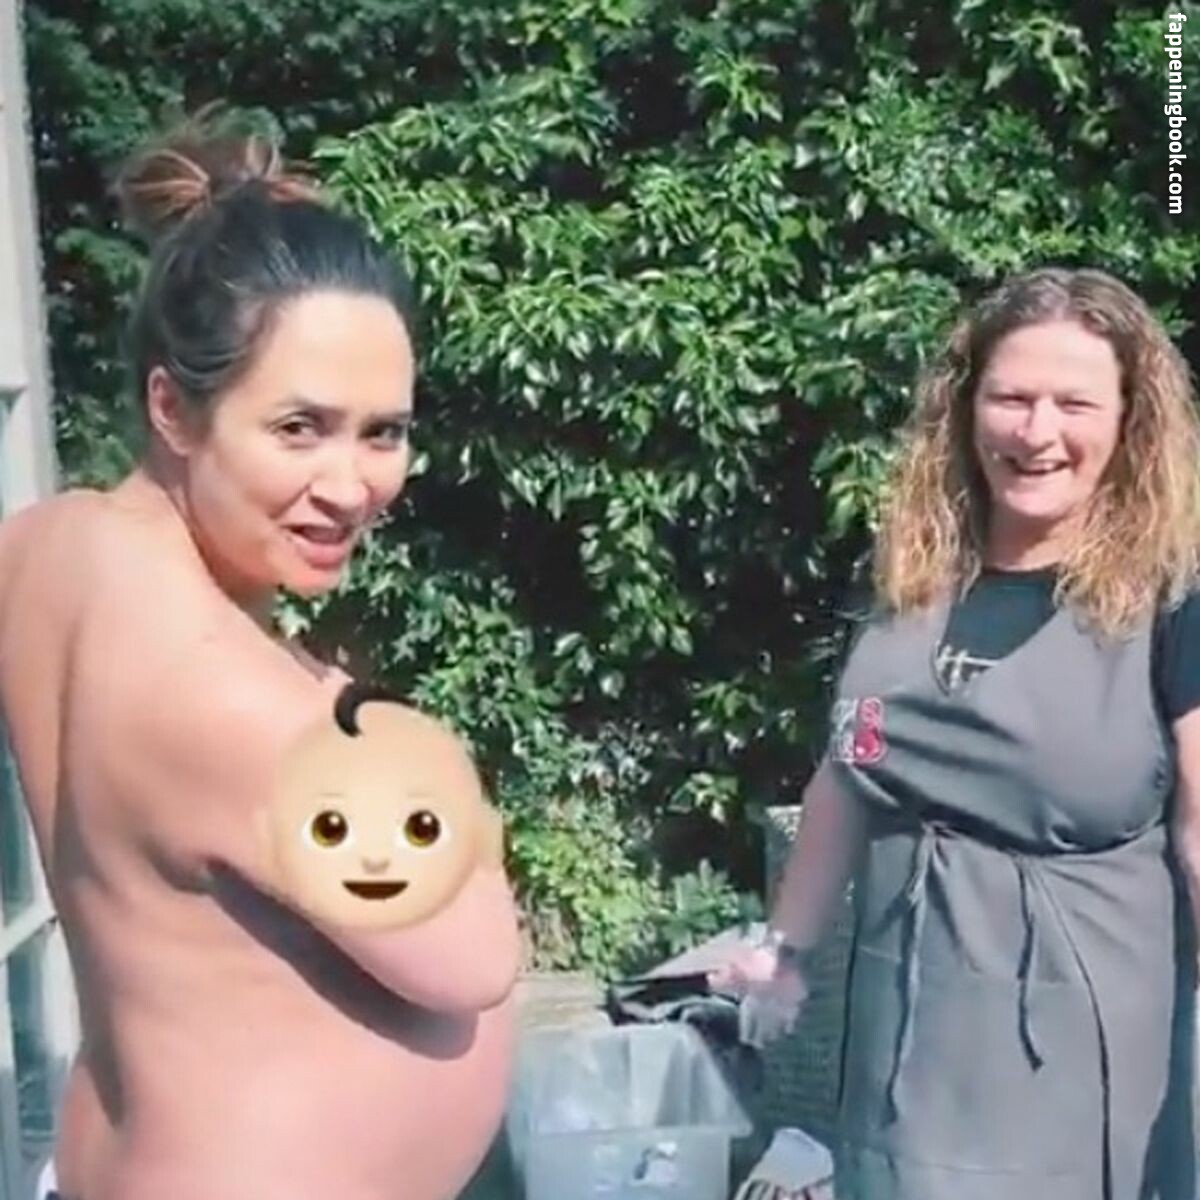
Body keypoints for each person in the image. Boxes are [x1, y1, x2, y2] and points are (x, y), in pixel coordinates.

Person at [0, 109, 520, 1200]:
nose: (353, 485)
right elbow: (474, 957)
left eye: (383, 431)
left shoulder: (47, 548)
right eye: (299, 427)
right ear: (172, 409)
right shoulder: (243, 706)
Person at [715, 267, 1200, 1199]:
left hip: (1079, 1029)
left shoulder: (1172, 597)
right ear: (966, 408)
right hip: (904, 1021)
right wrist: (785, 949)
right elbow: (848, 774)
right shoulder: (904, 575)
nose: (1037, 431)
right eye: (1011, 398)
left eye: (1074, 404)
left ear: (1130, 421)